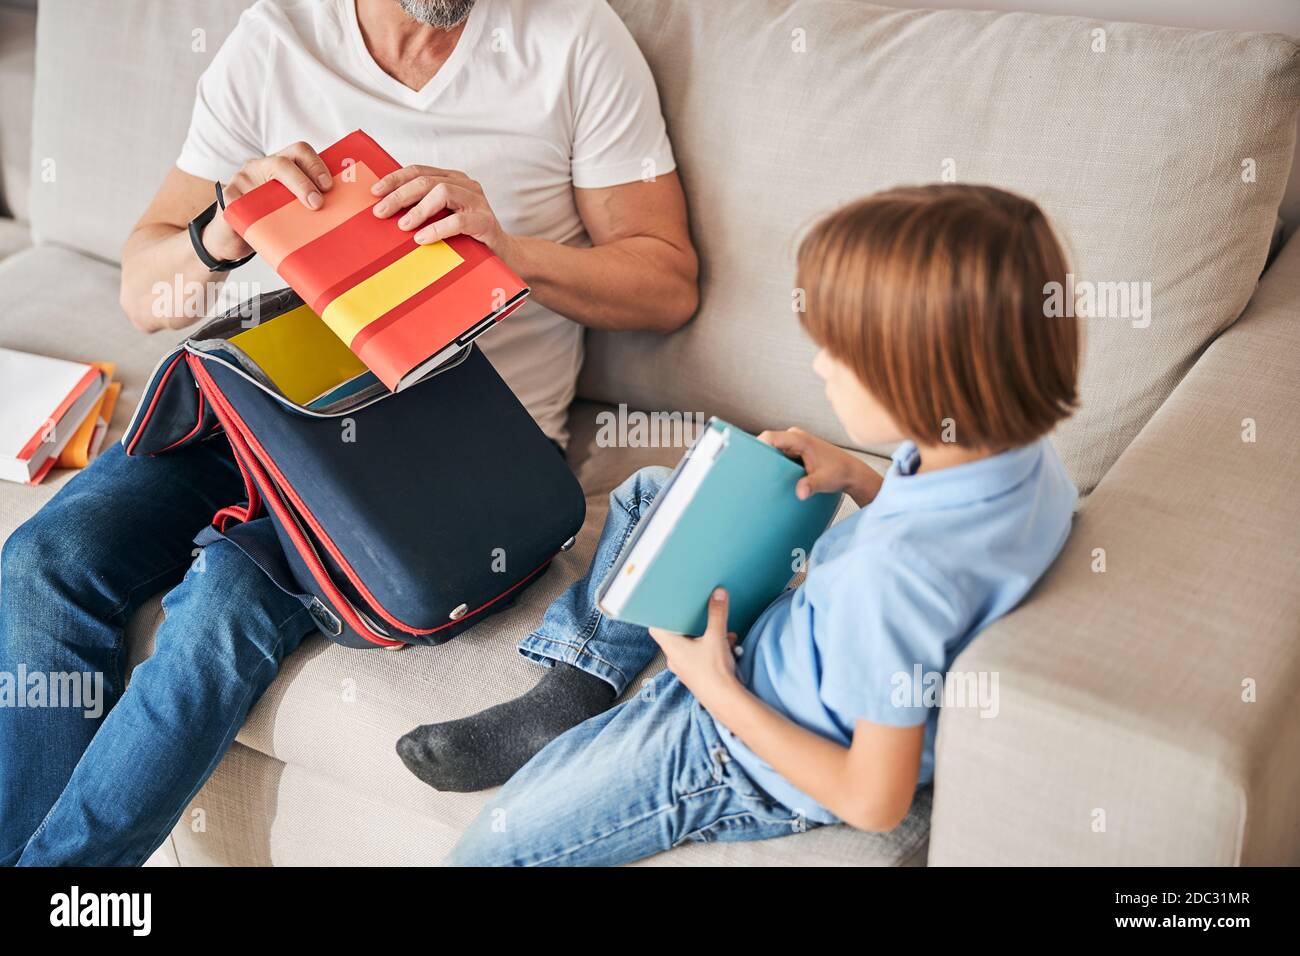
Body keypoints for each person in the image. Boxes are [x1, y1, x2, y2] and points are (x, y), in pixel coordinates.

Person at [0, 0, 697, 866]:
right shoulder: (276, 40)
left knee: (220, 608)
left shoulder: (574, 39)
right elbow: (147, 294)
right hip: (255, 415)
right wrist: (224, 227)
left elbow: (666, 285)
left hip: (443, 450)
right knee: (43, 560)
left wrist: (508, 250)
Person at [436, 184, 1081, 865]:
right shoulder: (1017, 455)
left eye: (837, 349)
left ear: (920, 377)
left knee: (488, 850)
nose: (819, 364)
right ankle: (578, 682)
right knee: (654, 494)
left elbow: (873, 800)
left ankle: (579, 690)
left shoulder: (894, 582)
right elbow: (944, 545)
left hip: (731, 747)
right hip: (789, 640)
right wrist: (861, 479)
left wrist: (715, 688)